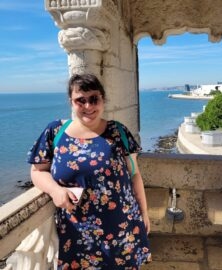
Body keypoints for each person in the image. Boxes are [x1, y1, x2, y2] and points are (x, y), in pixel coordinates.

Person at [27, 73, 151, 269]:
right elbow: (37, 171)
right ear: (71, 102)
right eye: (80, 100)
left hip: (122, 229)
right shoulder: (55, 132)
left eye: (94, 99)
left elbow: (134, 175)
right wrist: (55, 190)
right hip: (77, 233)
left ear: (103, 99)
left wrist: (144, 213)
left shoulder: (118, 132)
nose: (88, 106)